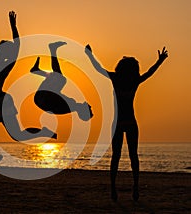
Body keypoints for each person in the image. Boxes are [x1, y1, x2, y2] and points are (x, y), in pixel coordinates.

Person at [85, 44, 168, 201]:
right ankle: (135, 188)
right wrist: (160, 61)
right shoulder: (134, 80)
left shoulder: (115, 79)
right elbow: (149, 73)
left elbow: (98, 69)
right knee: (133, 156)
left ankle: (114, 190)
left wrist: (90, 55)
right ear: (133, 68)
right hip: (130, 122)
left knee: (116, 156)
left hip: (119, 123)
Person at [0, 11, 57, 166]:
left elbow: (17, 44)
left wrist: (13, 26)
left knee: (17, 135)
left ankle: (44, 132)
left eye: (1, 46)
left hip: (0, 101)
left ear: (3, 51)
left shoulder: (6, 64)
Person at [30, 41, 93, 121]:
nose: (90, 106)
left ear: (84, 111)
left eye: (89, 109)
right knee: (59, 79)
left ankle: (52, 50)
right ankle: (37, 70)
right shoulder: (72, 105)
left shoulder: (70, 106)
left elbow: (52, 101)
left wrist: (53, 82)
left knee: (60, 79)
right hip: (42, 98)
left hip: (42, 98)